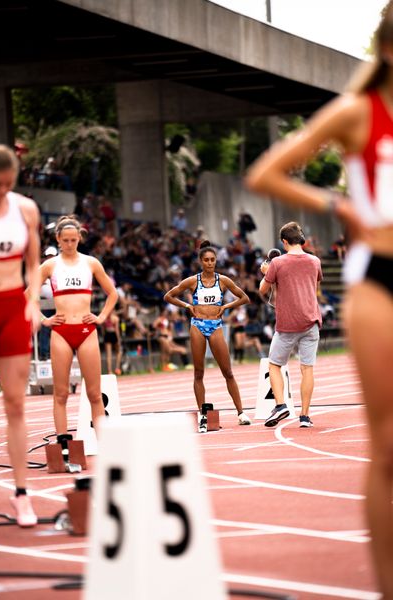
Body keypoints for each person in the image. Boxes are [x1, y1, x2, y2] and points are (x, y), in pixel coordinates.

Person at [245, 6, 393, 594]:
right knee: (387, 450)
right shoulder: (360, 113)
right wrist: (341, 205)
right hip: (381, 276)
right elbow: (266, 172)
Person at [0, 144, 41, 526]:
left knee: (15, 403)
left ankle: (22, 495)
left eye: (8, 184)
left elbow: (33, 264)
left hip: (12, 308)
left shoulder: (25, 209)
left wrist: (32, 306)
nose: (1, 190)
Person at [38, 215, 118, 443]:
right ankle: (64, 443)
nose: (70, 244)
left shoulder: (91, 263)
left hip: (86, 331)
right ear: (58, 239)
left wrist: (101, 317)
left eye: (74, 240)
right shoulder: (50, 265)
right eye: (66, 240)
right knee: (61, 393)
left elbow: (112, 293)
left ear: (79, 238)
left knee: (94, 393)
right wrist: (44, 319)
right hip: (61, 332)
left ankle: (105, 445)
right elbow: (26, 296)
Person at [164, 240, 252, 430]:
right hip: (197, 325)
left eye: (213, 260)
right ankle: (203, 415)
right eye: (206, 260)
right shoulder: (192, 281)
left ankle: (241, 412)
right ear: (201, 262)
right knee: (198, 372)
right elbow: (168, 296)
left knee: (227, 371)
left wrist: (226, 306)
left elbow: (245, 298)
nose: (210, 263)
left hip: (216, 326)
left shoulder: (224, 281)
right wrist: (187, 306)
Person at [258, 223, 322, 428]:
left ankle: (281, 405)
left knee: (275, 364)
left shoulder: (277, 263)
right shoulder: (315, 261)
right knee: (307, 368)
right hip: (311, 320)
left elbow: (262, 290)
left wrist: (266, 272)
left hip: (287, 323)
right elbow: (314, 285)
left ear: (284, 241)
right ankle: (304, 416)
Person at [101, 308, 122, 375]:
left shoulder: (104, 319)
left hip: (107, 334)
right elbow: (117, 330)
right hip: (113, 334)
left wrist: (104, 336)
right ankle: (117, 368)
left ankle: (109, 371)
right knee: (119, 352)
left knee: (108, 354)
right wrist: (118, 339)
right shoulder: (115, 318)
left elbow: (103, 330)